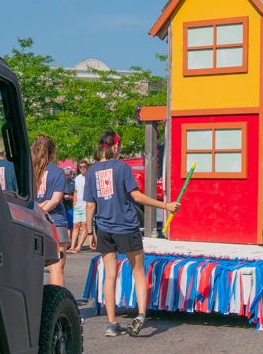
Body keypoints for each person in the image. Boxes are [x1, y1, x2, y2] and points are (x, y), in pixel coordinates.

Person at [87, 129, 177, 338]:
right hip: (126, 227)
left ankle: (111, 324)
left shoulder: (92, 171)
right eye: (120, 146)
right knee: (138, 272)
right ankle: (141, 315)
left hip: (104, 229)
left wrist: (90, 232)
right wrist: (165, 205)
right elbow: (136, 196)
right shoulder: (122, 167)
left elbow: (90, 205)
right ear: (115, 146)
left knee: (110, 276)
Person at [30, 134, 71, 288]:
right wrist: (44, 209)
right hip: (55, 222)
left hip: (32, 221)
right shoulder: (57, 172)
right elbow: (56, 200)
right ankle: (57, 300)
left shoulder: (28, 170)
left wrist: (36, 210)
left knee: (34, 266)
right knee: (57, 267)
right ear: (52, 152)